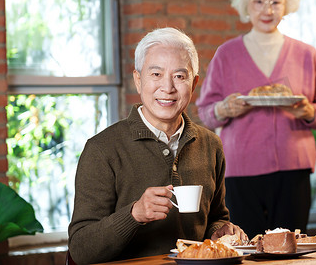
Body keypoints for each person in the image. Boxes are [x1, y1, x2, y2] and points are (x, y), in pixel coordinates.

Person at [68, 27, 246, 264]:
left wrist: (220, 230)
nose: (168, 88)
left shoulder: (210, 145)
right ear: (138, 80)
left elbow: (216, 217)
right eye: (156, 74)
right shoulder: (102, 149)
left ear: (193, 85)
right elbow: (81, 249)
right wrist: (134, 215)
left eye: (179, 76)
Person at [196, 0, 316, 238]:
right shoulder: (226, 54)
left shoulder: (307, 54)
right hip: (240, 170)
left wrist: (308, 111)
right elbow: (206, 112)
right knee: (245, 248)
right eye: (258, 1)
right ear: (245, 4)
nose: (267, 10)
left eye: (275, 2)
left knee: (289, 247)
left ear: (287, 6)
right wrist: (224, 108)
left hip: (293, 169)